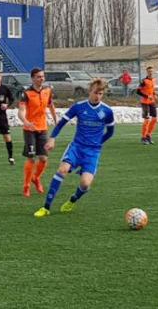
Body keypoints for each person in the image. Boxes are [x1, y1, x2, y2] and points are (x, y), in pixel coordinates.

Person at [34, 79, 116, 218]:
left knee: (85, 184)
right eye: (95, 92)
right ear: (90, 91)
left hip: (92, 152)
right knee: (62, 170)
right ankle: (46, 207)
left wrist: (98, 143)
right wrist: (52, 138)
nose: (97, 96)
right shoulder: (79, 107)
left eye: (100, 93)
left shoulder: (107, 111)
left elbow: (110, 132)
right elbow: (61, 123)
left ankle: (72, 200)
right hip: (77, 147)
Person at [17, 67, 58, 197]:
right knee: (31, 158)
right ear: (33, 78)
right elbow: (21, 111)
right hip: (30, 129)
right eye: (39, 77)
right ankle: (26, 186)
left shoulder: (47, 90)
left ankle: (36, 178)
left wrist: (56, 119)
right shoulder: (26, 93)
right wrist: (26, 122)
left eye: (42, 76)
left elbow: (51, 105)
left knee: (44, 158)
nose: (41, 79)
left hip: (43, 128)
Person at [136, 65, 158, 144]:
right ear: (147, 72)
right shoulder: (144, 81)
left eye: (151, 71)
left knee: (154, 119)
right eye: (149, 71)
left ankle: (148, 135)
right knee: (147, 120)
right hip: (145, 102)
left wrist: (154, 94)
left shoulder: (154, 80)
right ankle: (143, 137)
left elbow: (152, 89)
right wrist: (147, 96)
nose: (150, 73)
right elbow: (138, 91)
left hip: (152, 102)